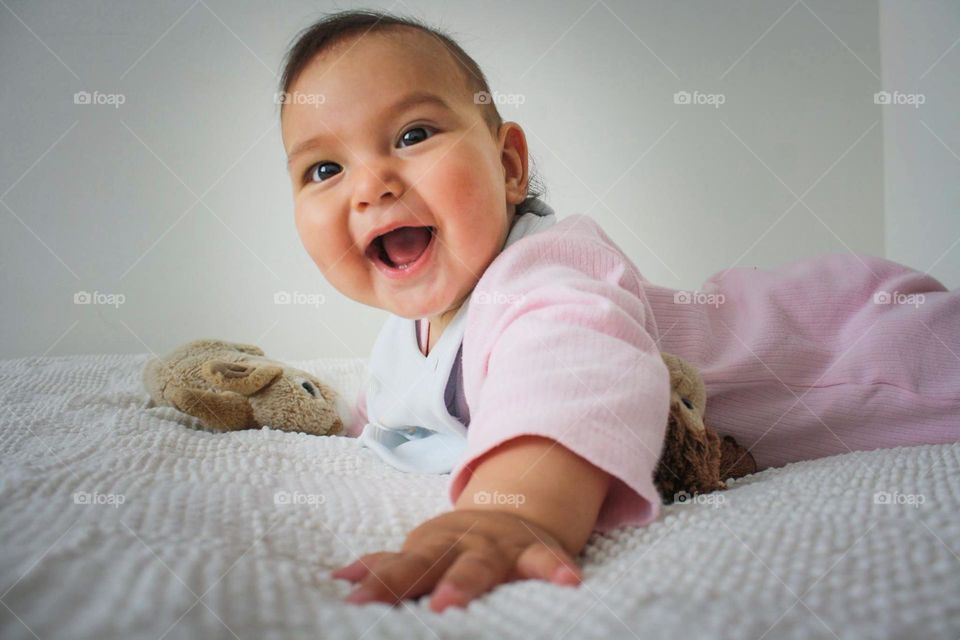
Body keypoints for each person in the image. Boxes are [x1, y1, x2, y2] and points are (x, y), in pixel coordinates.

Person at [278, 9, 960, 614]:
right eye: (324, 170)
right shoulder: (404, 336)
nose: (371, 184)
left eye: (413, 133)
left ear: (510, 165)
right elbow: (397, 416)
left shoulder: (547, 269)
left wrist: (509, 511)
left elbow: (572, 375)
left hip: (867, 340)